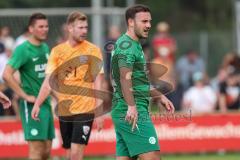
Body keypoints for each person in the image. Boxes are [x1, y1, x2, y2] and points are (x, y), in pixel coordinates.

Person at [31, 11, 104, 160]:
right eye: (80, 27)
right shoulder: (57, 51)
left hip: (85, 109)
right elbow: (49, 82)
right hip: (65, 110)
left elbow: (98, 82)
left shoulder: (93, 50)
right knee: (69, 152)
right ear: (70, 28)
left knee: (76, 154)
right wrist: (37, 103)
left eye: (86, 27)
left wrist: (99, 110)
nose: (84, 31)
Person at [111, 5, 174, 160]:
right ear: (131, 22)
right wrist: (132, 106)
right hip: (132, 110)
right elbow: (124, 77)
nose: (149, 25)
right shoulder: (128, 46)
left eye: (149, 21)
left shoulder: (132, 44)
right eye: (144, 21)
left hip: (123, 109)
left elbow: (137, 80)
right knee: (152, 157)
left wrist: (159, 96)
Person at [3, 13, 55, 160]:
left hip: (46, 104)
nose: (45, 29)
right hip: (31, 105)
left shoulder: (45, 47)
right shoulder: (23, 49)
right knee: (36, 149)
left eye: (46, 26)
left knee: (47, 150)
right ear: (31, 29)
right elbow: (7, 74)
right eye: (40, 26)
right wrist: (24, 95)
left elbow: (48, 78)